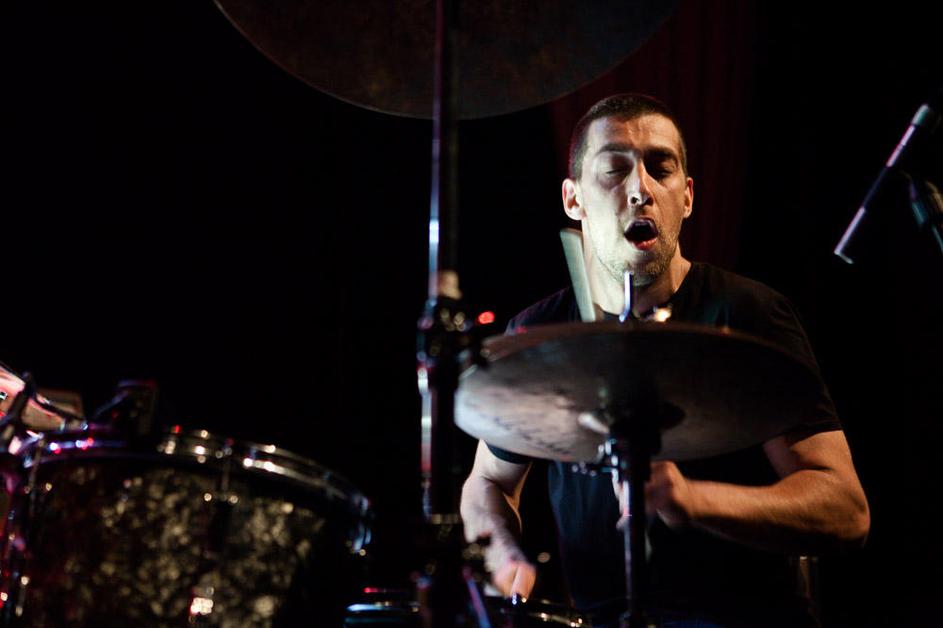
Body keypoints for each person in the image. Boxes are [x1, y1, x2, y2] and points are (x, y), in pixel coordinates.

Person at [459, 94, 870, 627]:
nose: (641, 189)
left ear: (688, 196)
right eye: (614, 170)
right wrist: (503, 558)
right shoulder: (539, 332)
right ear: (573, 199)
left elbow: (846, 510)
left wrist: (693, 500)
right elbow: (487, 483)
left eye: (661, 168)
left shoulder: (748, 314)